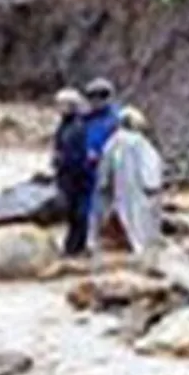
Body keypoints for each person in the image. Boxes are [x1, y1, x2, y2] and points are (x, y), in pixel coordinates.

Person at [96, 107, 165, 257]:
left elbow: (104, 165)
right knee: (141, 220)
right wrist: (153, 185)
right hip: (138, 188)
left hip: (119, 188)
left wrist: (103, 183)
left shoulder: (114, 141)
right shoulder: (140, 142)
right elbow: (152, 166)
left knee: (121, 215)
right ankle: (141, 250)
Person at [51, 88, 93, 258]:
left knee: (78, 214)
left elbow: (76, 155)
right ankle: (73, 247)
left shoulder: (77, 126)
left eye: (62, 104)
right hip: (67, 176)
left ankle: (76, 248)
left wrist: (62, 162)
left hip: (76, 178)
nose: (58, 108)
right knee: (72, 214)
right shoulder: (65, 125)